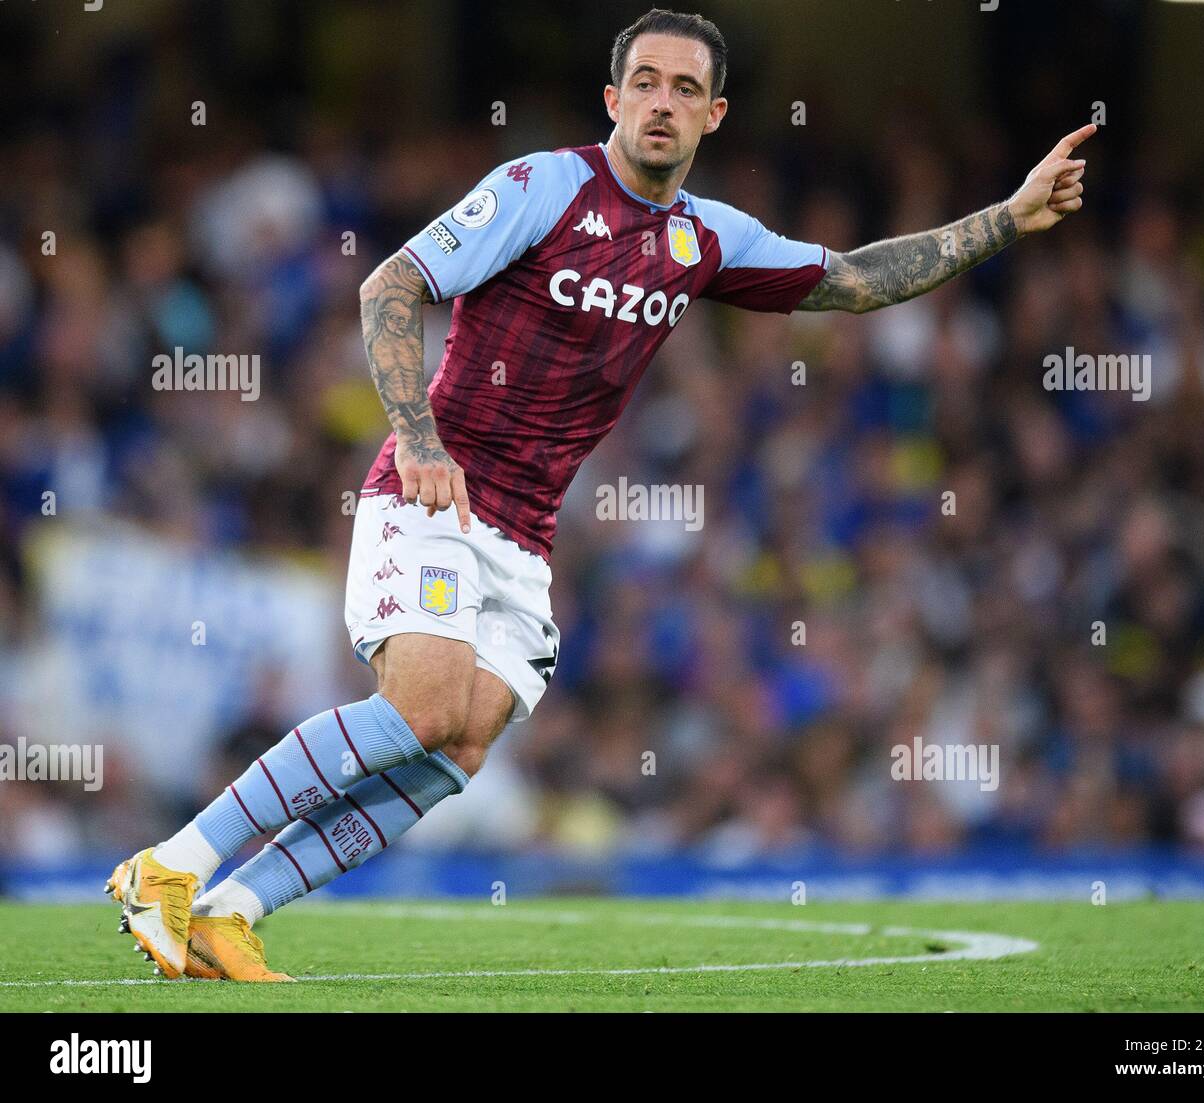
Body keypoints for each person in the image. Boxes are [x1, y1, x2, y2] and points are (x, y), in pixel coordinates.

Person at [109, 7, 1092, 981]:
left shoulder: (711, 237)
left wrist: (1006, 218)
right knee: (421, 706)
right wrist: (418, 437)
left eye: (686, 89)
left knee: (458, 748)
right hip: (435, 489)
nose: (663, 104)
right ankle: (170, 866)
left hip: (525, 533)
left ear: (714, 115)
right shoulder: (543, 186)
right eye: (647, 84)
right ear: (613, 98)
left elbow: (852, 280)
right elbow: (390, 288)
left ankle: (232, 910)